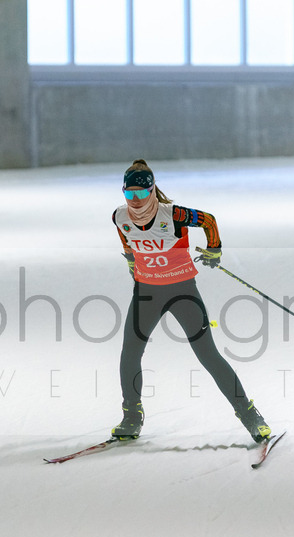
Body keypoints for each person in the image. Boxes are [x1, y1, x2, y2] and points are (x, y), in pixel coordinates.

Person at [110, 159, 271, 443]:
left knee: (207, 354)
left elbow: (208, 220)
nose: (135, 200)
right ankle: (131, 418)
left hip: (182, 291)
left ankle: (250, 415)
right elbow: (127, 241)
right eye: (129, 193)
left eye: (140, 193)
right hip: (146, 293)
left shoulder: (174, 214)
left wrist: (214, 249)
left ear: (152, 190)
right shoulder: (119, 216)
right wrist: (133, 264)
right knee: (129, 354)